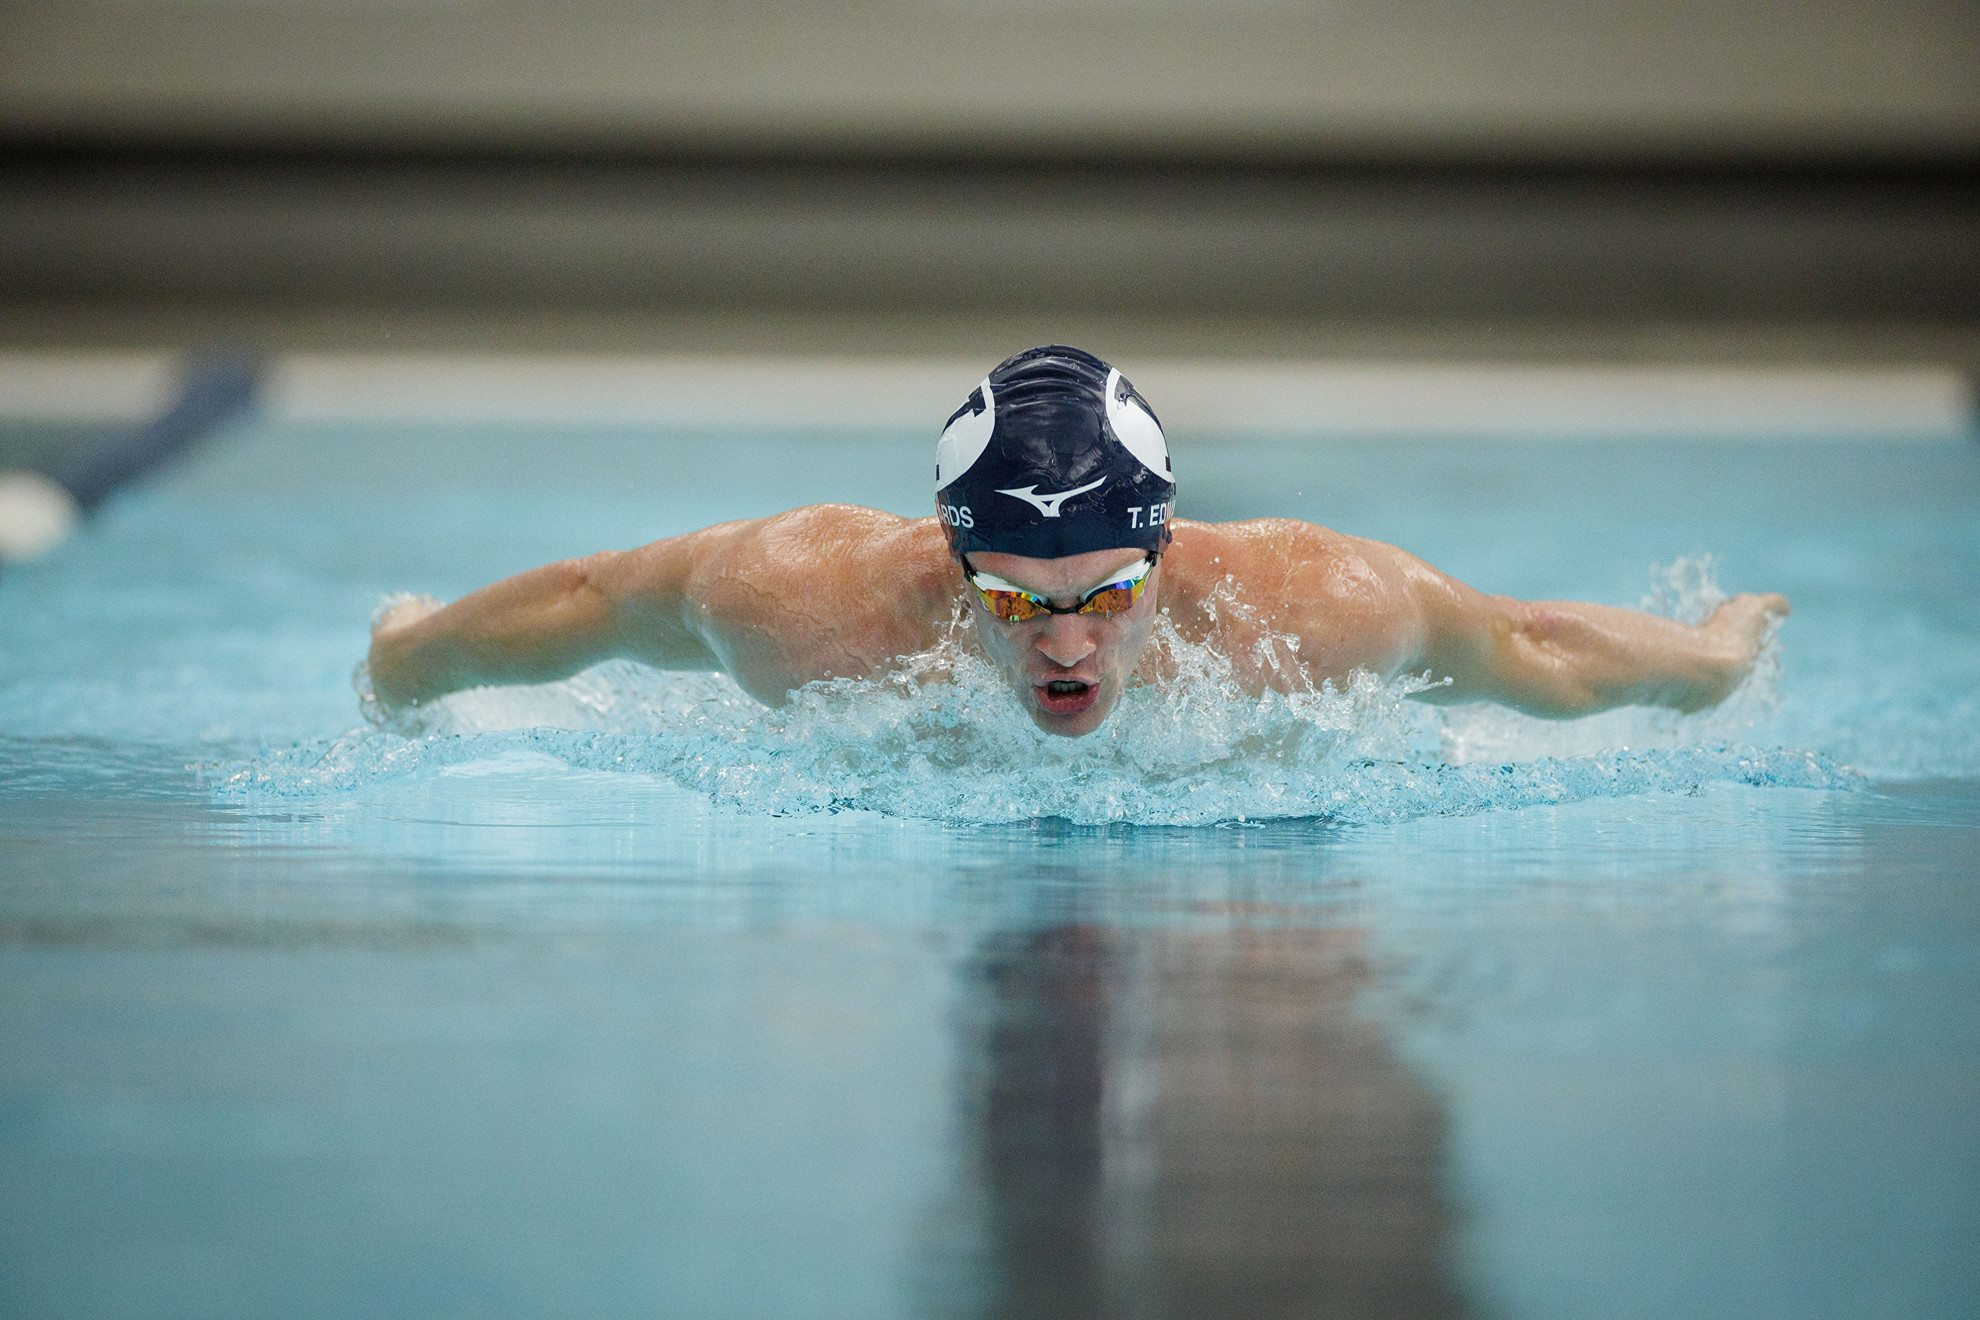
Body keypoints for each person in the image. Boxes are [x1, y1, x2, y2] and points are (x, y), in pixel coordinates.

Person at [365, 346, 1787, 739]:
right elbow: (589, 599)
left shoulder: (1314, 607)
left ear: (1166, 556)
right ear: (950, 557)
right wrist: (405, 665)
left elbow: (1528, 644)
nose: (1063, 639)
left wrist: (1714, 662)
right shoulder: (802, 598)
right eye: (1010, 597)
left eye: (1108, 591)